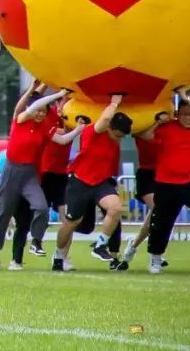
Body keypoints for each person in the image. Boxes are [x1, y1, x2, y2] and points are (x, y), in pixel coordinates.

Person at [0, 83, 71, 270]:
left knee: (41, 207)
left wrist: (81, 126)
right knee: (3, 213)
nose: (40, 114)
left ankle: (36, 241)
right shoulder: (21, 120)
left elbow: (64, 139)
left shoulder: (45, 128)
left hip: (30, 173)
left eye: (44, 112)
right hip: (11, 171)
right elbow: (30, 105)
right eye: (38, 111)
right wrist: (57, 93)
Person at [52, 95, 131, 272]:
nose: (118, 139)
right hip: (79, 181)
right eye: (117, 134)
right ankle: (58, 254)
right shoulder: (92, 131)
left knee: (116, 208)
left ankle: (100, 245)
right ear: (110, 128)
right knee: (72, 222)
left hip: (101, 182)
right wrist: (114, 102)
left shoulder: (114, 141)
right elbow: (104, 118)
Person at [9, 110, 87, 269]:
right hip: (41, 174)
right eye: (62, 97)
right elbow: (57, 132)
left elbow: (66, 136)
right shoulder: (46, 114)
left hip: (60, 176)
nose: (65, 100)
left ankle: (62, 258)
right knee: (25, 221)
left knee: (68, 219)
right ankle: (17, 258)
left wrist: (76, 127)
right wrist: (73, 128)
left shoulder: (73, 114)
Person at [142, 90, 190, 273]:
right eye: (185, 115)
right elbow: (145, 135)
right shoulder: (167, 127)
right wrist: (158, 121)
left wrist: (185, 97)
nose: (188, 118)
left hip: (189, 182)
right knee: (161, 222)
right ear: (177, 114)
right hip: (165, 183)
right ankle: (155, 259)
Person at [119, 112, 167, 267]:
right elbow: (145, 135)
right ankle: (155, 254)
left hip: (165, 173)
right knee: (159, 210)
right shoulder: (142, 123)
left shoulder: (171, 126)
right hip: (146, 173)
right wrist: (157, 121)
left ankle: (133, 245)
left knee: (157, 215)